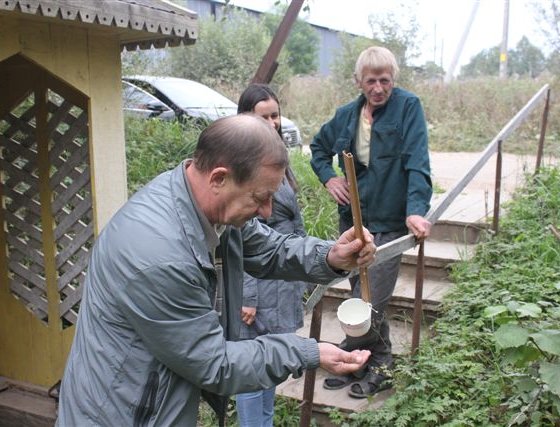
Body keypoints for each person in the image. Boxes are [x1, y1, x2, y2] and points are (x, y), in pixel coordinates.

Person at [56, 113, 375, 426]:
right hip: (121, 414)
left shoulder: (205, 204)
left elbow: (268, 247)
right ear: (219, 178)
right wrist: (308, 352)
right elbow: (214, 363)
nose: (266, 211)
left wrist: (331, 256)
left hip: (152, 403)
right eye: (261, 197)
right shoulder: (158, 254)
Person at [310, 46, 432, 399]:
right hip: (354, 222)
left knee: (370, 299)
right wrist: (328, 178)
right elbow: (319, 148)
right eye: (371, 81)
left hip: (392, 221)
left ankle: (375, 363)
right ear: (358, 81)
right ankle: (363, 360)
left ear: (394, 79)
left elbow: (417, 162)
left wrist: (415, 209)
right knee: (358, 295)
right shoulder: (347, 115)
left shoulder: (408, 107)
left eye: (385, 80)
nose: (378, 88)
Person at [234, 84, 309, 427]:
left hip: (282, 277)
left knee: (272, 365)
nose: (271, 123)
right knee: (252, 368)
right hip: (259, 283)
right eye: (262, 116)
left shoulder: (276, 155)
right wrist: (246, 296)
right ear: (244, 118)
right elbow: (240, 234)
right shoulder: (241, 163)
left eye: (275, 115)